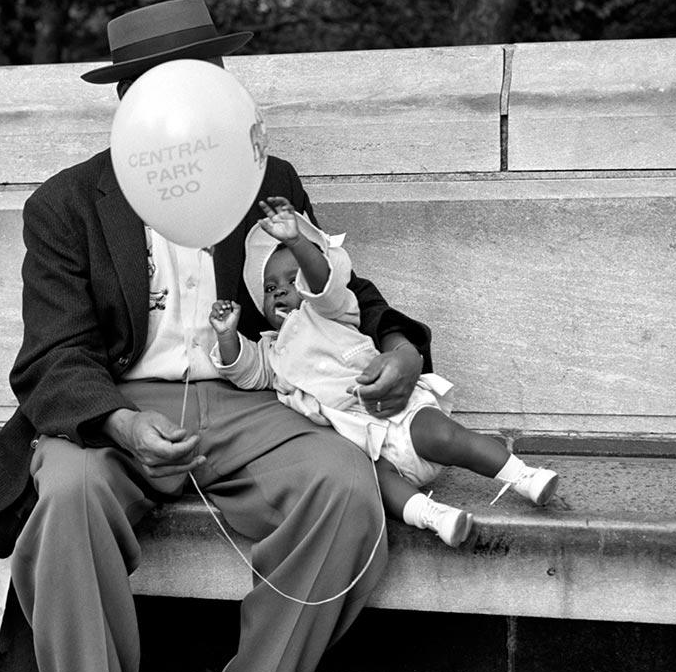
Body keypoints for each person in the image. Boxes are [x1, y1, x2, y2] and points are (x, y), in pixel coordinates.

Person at [0, 0, 433, 672]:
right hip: (116, 410)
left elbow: (338, 292)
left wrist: (398, 346)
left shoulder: (266, 177)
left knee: (346, 492)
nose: (194, 93)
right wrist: (118, 425)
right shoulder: (67, 204)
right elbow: (53, 358)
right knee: (64, 505)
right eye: (169, 80)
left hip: (247, 399)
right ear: (132, 96)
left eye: (206, 73)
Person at [208, 197, 559, 549]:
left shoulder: (331, 311)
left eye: (291, 279)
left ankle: (522, 476)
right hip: (365, 444)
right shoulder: (272, 351)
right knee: (380, 485)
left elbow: (324, 285)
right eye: (270, 288)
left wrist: (298, 241)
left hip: (398, 414)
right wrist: (227, 335)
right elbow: (245, 371)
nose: (281, 289)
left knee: (450, 439)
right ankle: (435, 516)